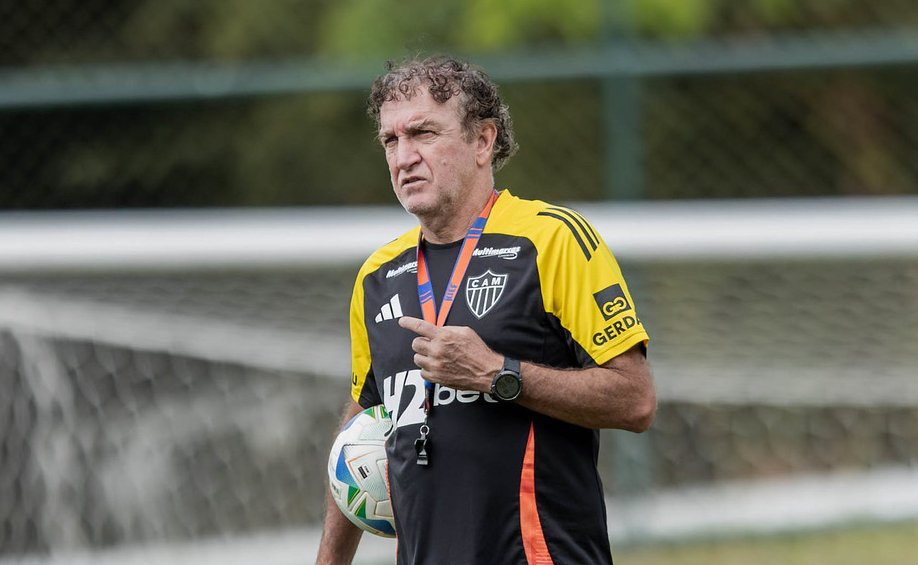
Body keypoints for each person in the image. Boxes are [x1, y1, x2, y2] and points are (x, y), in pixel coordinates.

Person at [316, 55, 655, 565]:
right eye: (391, 140)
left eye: (424, 134)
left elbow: (635, 400)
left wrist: (498, 373)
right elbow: (366, 424)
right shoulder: (377, 277)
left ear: (483, 141)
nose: (404, 156)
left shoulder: (550, 241)